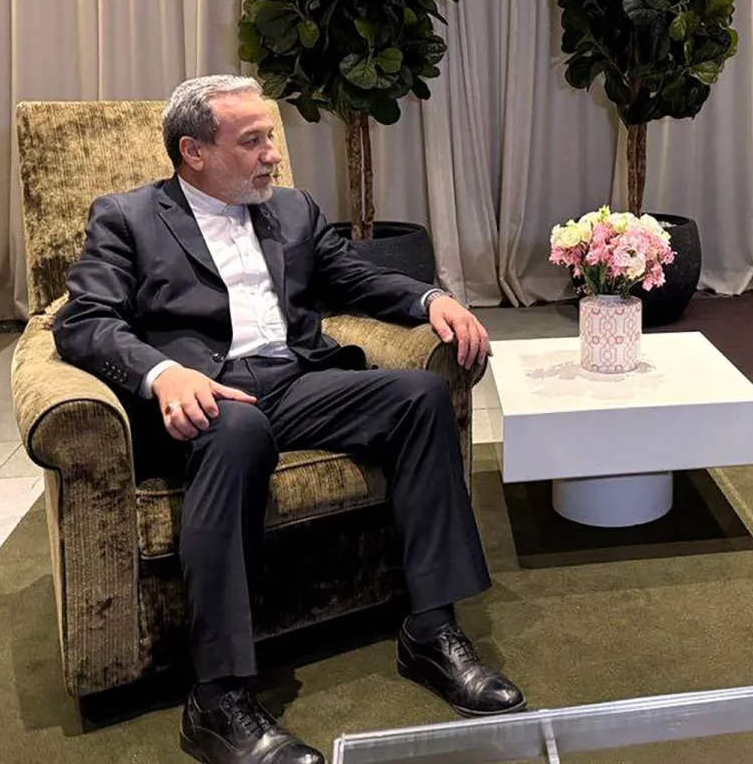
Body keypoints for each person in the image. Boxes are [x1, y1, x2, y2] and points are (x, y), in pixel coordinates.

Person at [54, 75, 525, 764]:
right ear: (194, 152)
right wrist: (163, 373)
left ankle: (430, 630)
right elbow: (85, 321)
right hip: (206, 396)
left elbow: (354, 278)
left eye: (270, 136)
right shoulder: (128, 218)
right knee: (238, 430)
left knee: (420, 398)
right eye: (253, 141)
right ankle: (217, 699)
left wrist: (430, 300)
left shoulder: (292, 209)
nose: (273, 153)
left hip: (296, 380)